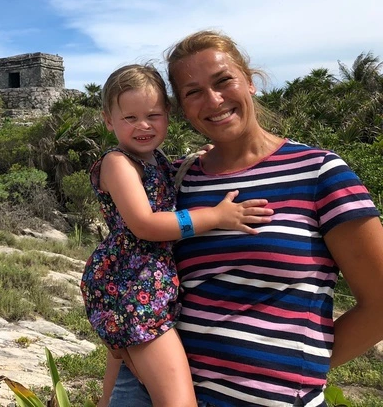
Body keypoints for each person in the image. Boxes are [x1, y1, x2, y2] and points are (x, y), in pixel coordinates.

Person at [108, 31, 383, 407]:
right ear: (181, 108)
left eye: (223, 81)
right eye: (193, 92)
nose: (213, 100)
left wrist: (294, 372)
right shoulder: (176, 180)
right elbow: (134, 273)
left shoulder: (318, 172)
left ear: (250, 81)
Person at [80, 63, 272, 407]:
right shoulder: (117, 163)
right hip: (132, 286)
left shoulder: (156, 160)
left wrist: (202, 158)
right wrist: (215, 217)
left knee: (123, 381)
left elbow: (170, 179)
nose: (143, 125)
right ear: (109, 120)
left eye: (153, 115)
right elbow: (145, 224)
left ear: (168, 115)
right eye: (130, 118)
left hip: (147, 284)